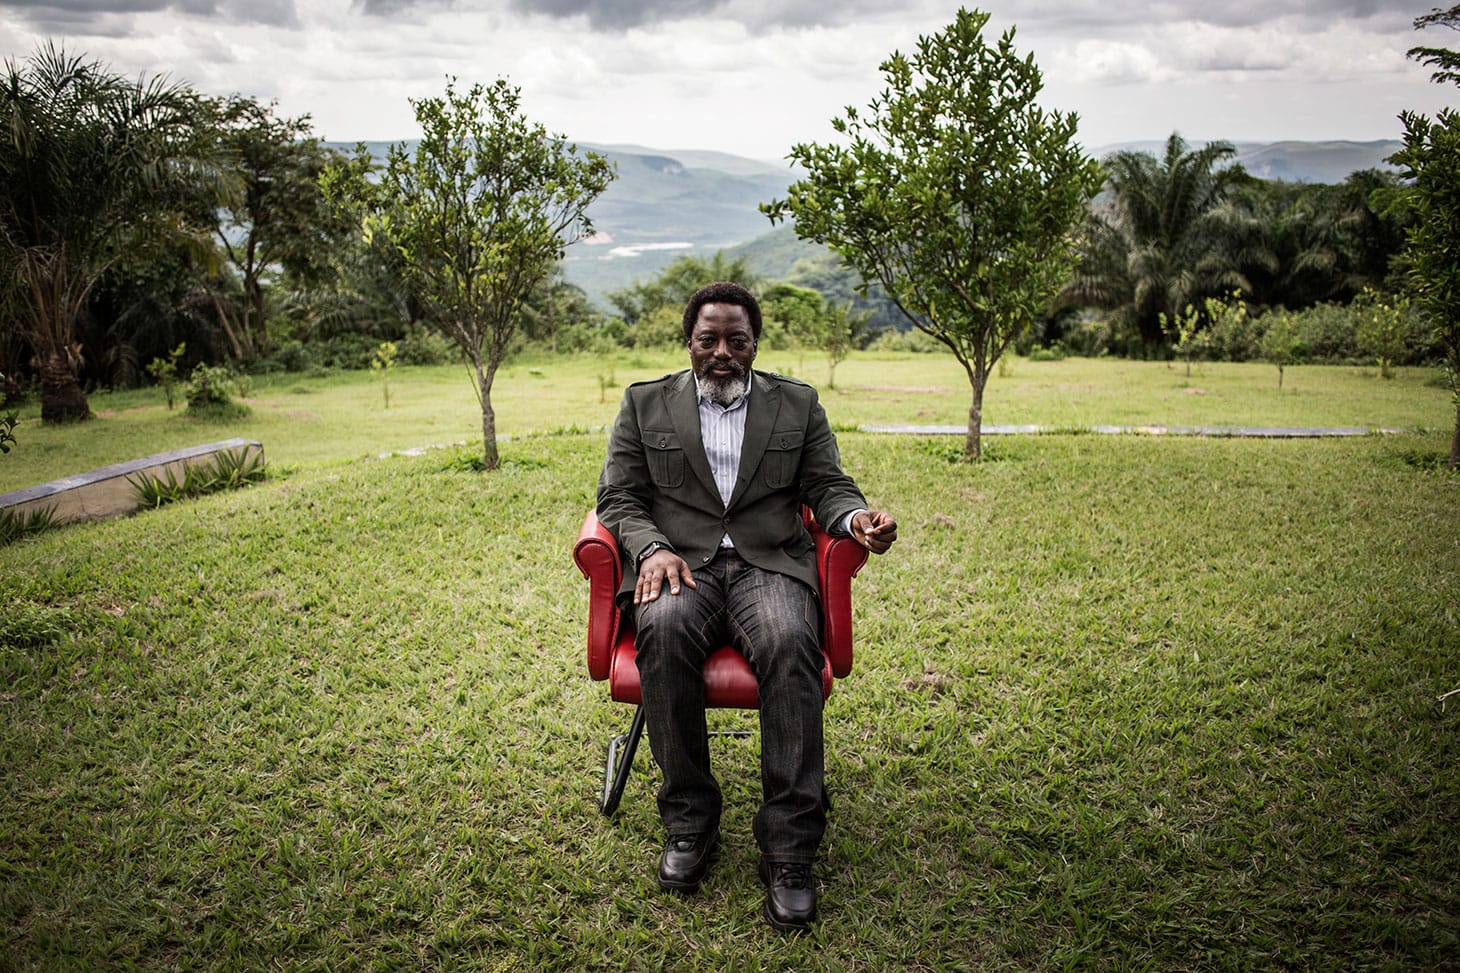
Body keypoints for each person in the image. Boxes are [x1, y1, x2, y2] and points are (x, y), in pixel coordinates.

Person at [595, 281, 897, 933]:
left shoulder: (798, 403)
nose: (723, 352)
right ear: (690, 343)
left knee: (791, 641)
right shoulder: (645, 403)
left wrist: (852, 520)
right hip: (682, 562)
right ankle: (690, 822)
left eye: (737, 339)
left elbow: (828, 485)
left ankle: (789, 848)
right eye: (710, 339)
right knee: (665, 627)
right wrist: (649, 550)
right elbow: (617, 497)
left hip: (769, 562)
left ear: (755, 342)